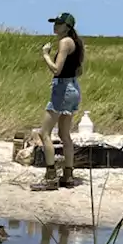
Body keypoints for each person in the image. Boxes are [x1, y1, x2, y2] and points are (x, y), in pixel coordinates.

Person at [32, 12, 86, 191]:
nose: (55, 25)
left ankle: (50, 176)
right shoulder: (76, 43)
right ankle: (68, 176)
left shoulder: (64, 42)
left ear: (68, 26)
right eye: (55, 22)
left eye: (60, 23)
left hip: (63, 89)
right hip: (72, 87)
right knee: (64, 135)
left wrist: (46, 55)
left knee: (44, 133)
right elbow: (77, 70)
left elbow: (56, 69)